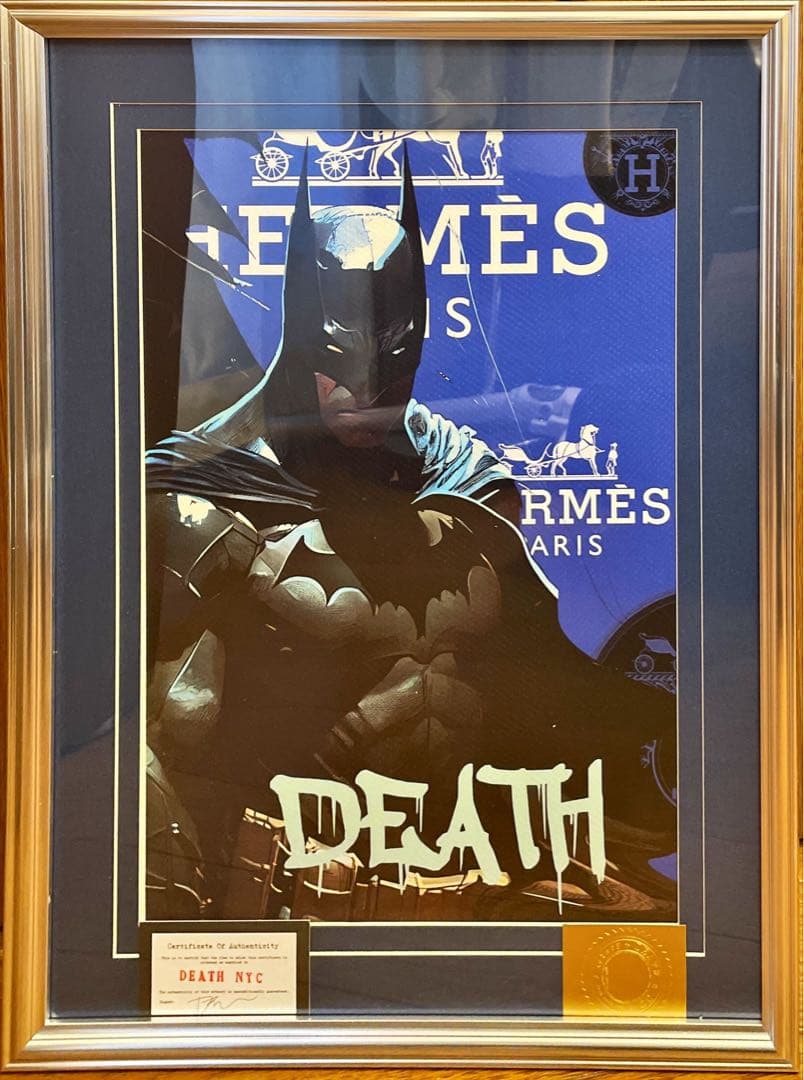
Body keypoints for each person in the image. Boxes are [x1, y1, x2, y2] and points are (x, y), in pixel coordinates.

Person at [145, 151, 676, 923]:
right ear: (300, 336)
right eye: (341, 367)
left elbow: (546, 683)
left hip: (467, 880)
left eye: (394, 368)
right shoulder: (209, 496)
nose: (367, 395)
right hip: (280, 895)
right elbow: (158, 744)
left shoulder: (467, 479)